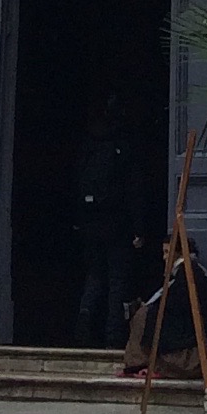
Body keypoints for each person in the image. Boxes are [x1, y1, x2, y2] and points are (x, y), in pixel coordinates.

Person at [69, 93, 147, 349]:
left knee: (94, 276)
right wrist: (139, 228)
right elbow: (133, 190)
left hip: (91, 224)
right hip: (117, 224)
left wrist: (79, 220)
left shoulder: (89, 145)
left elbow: (76, 183)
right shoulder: (123, 146)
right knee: (117, 281)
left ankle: (83, 322)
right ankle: (114, 335)